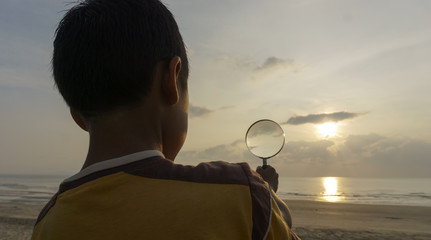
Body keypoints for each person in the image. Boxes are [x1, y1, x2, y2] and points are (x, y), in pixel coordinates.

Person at [31, 0, 300, 239]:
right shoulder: (241, 194)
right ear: (171, 79)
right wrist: (270, 199)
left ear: (77, 116)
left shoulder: (49, 222)